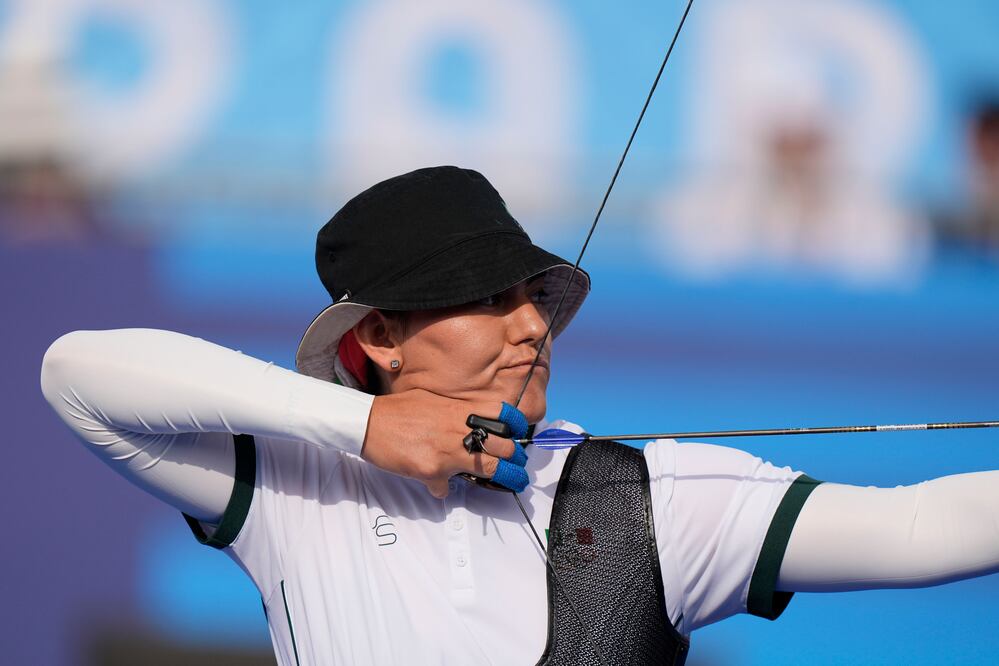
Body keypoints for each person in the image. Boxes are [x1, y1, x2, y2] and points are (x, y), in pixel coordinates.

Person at [41, 166, 999, 665]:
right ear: (379, 337)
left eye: (531, 294)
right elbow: (75, 374)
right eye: (488, 298)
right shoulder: (299, 485)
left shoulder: (647, 498)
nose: (533, 321)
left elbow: (920, 526)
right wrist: (371, 431)